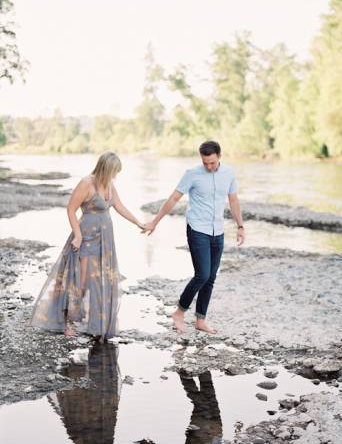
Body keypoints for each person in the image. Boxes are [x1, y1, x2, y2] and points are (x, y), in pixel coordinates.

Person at [29, 151, 145, 342]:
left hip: (105, 240)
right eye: (113, 171)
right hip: (86, 238)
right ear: (105, 169)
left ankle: (95, 323)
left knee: (100, 280)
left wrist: (138, 223)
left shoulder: (109, 184)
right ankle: (67, 321)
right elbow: (70, 209)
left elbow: (120, 207)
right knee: (80, 282)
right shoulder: (86, 183)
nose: (115, 175)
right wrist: (77, 235)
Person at [144, 140, 244, 334]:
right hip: (197, 229)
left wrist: (240, 226)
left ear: (219, 157)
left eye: (212, 162)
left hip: (218, 230)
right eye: (205, 162)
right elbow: (174, 198)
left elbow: (233, 200)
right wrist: (155, 221)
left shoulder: (229, 173)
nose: (209, 166)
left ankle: (200, 320)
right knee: (202, 274)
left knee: (211, 277)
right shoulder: (192, 174)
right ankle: (179, 313)